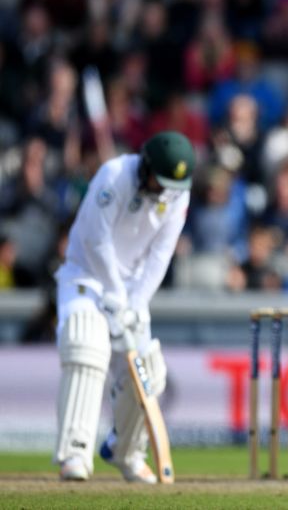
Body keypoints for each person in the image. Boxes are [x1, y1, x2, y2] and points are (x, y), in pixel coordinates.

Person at [54, 131, 195, 483]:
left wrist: (134, 303)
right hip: (85, 276)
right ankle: (75, 452)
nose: (163, 192)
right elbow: (94, 240)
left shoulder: (177, 192)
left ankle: (126, 450)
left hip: (131, 291)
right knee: (87, 345)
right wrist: (114, 294)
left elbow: (161, 254)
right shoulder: (113, 175)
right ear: (145, 164)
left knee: (151, 369)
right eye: (158, 182)